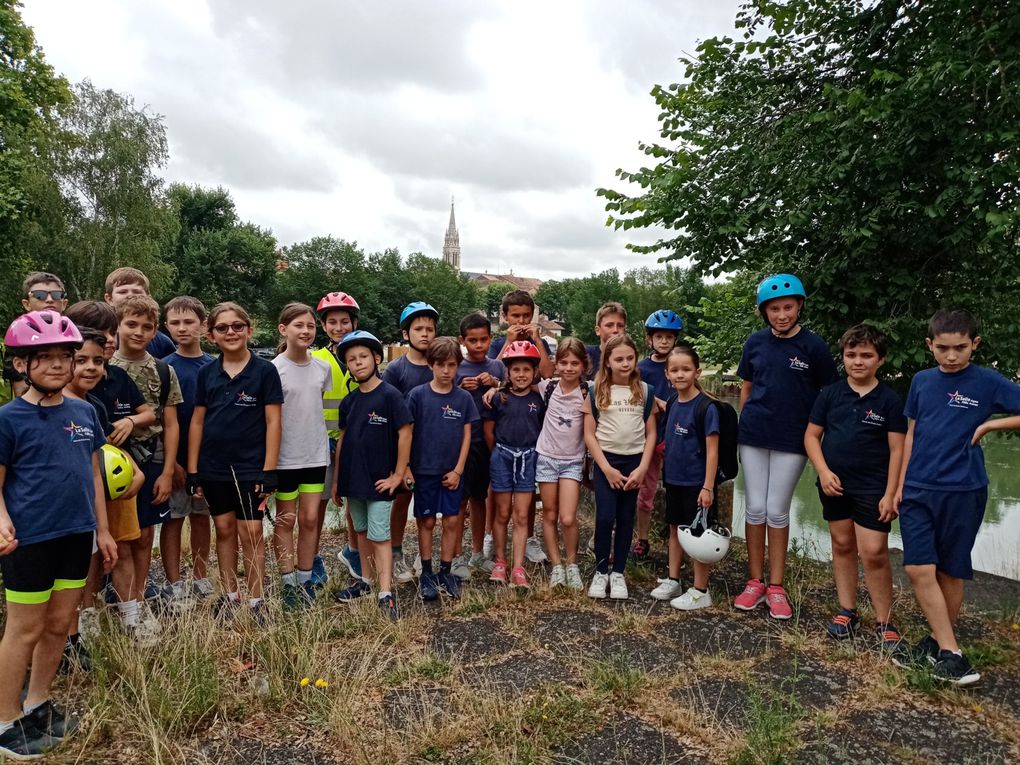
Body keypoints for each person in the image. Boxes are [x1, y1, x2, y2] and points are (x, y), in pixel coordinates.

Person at [0, 311, 116, 759]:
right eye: (42, 357)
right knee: (24, 630)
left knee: (58, 626)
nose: (55, 365)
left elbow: (93, 472)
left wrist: (102, 530)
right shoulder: (8, 419)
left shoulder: (85, 411)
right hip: (30, 539)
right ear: (21, 365)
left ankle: (38, 704)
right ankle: (7, 720)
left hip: (76, 535)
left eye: (63, 357)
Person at [893, 309, 1020, 685]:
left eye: (960, 348)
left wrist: (992, 423)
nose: (951, 356)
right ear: (929, 345)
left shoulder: (988, 382)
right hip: (918, 488)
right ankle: (953, 653)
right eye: (943, 348)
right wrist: (899, 485)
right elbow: (911, 434)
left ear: (974, 345)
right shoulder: (921, 381)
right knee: (918, 567)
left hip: (964, 489)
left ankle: (938, 643)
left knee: (951, 568)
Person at [734, 274, 838, 619]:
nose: (782, 314)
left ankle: (776, 586)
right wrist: (744, 421)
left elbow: (829, 394)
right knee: (755, 508)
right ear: (764, 312)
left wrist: (817, 434)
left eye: (788, 307)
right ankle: (755, 581)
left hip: (793, 439)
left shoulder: (814, 347)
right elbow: (746, 389)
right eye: (775, 309)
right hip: (753, 434)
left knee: (777, 509)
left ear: (800, 306)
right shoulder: (755, 343)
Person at [804, 324, 907, 649]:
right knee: (842, 544)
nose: (858, 361)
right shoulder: (830, 394)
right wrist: (822, 471)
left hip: (874, 487)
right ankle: (847, 609)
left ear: (881, 360)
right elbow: (811, 436)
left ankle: (885, 620)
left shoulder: (890, 400)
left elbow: (898, 450)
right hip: (834, 484)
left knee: (874, 552)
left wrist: (891, 493)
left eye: (866, 355)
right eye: (851, 355)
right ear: (843, 357)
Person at [64, 301, 156, 638]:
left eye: (106, 336)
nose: (104, 342)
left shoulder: (97, 401)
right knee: (85, 558)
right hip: (77, 495)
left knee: (122, 548)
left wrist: (136, 469)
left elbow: (103, 447)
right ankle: (82, 625)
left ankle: (131, 618)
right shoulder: (55, 399)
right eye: (94, 336)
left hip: (113, 486)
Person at [187, 302, 283, 625]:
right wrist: (192, 470)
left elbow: (273, 423)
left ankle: (257, 601)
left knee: (252, 531)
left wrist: (269, 471)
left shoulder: (265, 372)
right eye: (223, 328)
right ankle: (230, 596)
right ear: (211, 334)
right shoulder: (206, 374)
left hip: (251, 467)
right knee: (224, 529)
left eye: (237, 326)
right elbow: (197, 423)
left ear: (249, 330)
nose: (231, 332)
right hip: (213, 467)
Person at [110, 295, 183, 639]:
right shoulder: (102, 363)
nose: (139, 332)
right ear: (118, 326)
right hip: (111, 464)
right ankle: (94, 610)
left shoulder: (164, 370)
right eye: (131, 324)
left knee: (143, 539)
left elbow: (171, 424)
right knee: (111, 542)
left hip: (152, 461)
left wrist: (168, 471)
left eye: (147, 326)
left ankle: (136, 605)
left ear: (155, 330)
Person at [330, 331, 412, 620]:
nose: (358, 362)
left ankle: (386, 592)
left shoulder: (391, 396)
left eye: (363, 356)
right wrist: (338, 481)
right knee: (362, 531)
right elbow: (342, 441)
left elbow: (405, 434)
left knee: (380, 535)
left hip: (380, 481)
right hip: (354, 480)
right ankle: (365, 581)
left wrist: (398, 474)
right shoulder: (349, 402)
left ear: (376, 358)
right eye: (351, 359)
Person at [583, 334, 657, 599]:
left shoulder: (645, 391)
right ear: (608, 362)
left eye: (629, 358)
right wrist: (605, 468)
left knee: (627, 518)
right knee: (605, 517)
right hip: (607, 463)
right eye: (619, 359)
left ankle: (619, 573)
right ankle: (601, 570)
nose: (625, 364)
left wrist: (642, 468)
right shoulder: (596, 391)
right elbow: (589, 434)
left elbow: (651, 434)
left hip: (634, 463)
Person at [405, 337, 478, 600]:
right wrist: (407, 468)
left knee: (451, 520)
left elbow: (467, 436)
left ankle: (445, 570)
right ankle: (426, 572)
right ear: (430, 365)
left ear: (458, 366)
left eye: (451, 365)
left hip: (452, 473)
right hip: (424, 471)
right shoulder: (417, 396)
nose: (446, 371)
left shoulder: (464, 398)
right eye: (440, 365)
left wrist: (458, 470)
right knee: (425, 521)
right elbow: (408, 434)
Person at [650, 346, 720, 610]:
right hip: (674, 480)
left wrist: (708, 487)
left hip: (697, 483)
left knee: (699, 534)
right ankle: (673, 578)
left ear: (697, 372)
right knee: (675, 530)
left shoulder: (706, 407)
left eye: (686, 369)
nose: (680, 375)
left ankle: (701, 590)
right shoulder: (672, 404)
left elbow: (712, 451)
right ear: (667, 374)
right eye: (675, 370)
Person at [272, 303, 332, 610]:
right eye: (299, 325)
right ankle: (288, 583)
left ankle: (306, 579)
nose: (306, 331)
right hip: (285, 458)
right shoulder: (273, 369)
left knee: (310, 519)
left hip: (315, 455)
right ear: (284, 329)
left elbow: (315, 407)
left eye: (310, 326)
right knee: (286, 519)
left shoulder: (323, 368)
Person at [487, 290, 553, 562]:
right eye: (516, 316)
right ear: (505, 317)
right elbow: (493, 374)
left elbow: (548, 374)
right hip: (504, 426)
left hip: (530, 428)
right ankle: (493, 537)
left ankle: (529, 538)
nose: (522, 321)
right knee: (498, 493)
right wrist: (509, 343)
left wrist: (537, 339)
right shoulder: (498, 344)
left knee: (527, 497)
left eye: (527, 315)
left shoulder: (540, 343)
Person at [160, 297, 215, 609]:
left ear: (203, 326)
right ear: (167, 326)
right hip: (174, 460)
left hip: (208, 460)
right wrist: (174, 464)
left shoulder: (213, 366)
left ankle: (199, 576)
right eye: (175, 323)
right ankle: (173, 582)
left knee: (201, 517)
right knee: (173, 519)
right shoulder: (164, 367)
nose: (182, 328)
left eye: (189, 322)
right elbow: (161, 420)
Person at [383, 302, 438, 583]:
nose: (425, 334)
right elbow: (388, 410)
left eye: (430, 329)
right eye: (418, 329)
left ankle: (424, 554)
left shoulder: (439, 366)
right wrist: (399, 463)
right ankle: (395, 552)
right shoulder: (396, 369)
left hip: (432, 449)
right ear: (406, 334)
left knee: (429, 506)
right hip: (403, 450)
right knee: (401, 502)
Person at [483, 341, 544, 588]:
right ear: (507, 371)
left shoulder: (539, 399)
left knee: (521, 515)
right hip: (502, 455)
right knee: (502, 513)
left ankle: (518, 567)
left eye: (526, 370)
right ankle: (500, 562)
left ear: (534, 372)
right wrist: (497, 454)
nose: (521, 375)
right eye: (516, 369)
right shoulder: (499, 397)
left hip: (528, 457)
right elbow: (489, 432)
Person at [312, 292, 361, 589]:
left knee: (354, 503)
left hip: (354, 443)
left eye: (345, 321)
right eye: (333, 322)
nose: (339, 327)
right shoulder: (316, 359)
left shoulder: (362, 356)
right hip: (321, 442)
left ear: (354, 323)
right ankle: (313, 556)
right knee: (315, 506)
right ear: (324, 325)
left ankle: (353, 551)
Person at [536, 338, 591, 590]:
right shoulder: (547, 387)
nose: (569, 368)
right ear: (556, 364)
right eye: (564, 363)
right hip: (546, 457)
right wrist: (494, 387)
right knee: (549, 513)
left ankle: (572, 564)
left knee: (567, 517)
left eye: (575, 363)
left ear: (583, 366)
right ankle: (556, 565)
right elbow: (516, 383)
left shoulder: (588, 390)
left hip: (571, 461)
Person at [455, 312, 503, 577]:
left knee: (479, 497)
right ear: (463, 340)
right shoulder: (457, 368)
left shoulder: (497, 366)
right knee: (459, 501)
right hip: (462, 443)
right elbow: (445, 395)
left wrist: (496, 384)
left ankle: (476, 553)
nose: (478, 345)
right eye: (472, 340)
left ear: (490, 339)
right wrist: (460, 387)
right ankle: (456, 555)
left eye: (483, 340)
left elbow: (509, 392)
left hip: (488, 441)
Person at [634, 309, 684, 560]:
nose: (664, 341)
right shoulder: (641, 368)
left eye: (669, 337)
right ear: (649, 339)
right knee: (646, 490)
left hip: (677, 436)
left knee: (681, 489)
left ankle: (682, 539)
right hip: (650, 437)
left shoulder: (680, 364)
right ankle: (642, 539)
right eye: (659, 337)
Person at [103, 267, 176, 358]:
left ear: (148, 297)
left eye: (136, 291)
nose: (130, 296)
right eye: (123, 292)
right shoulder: (99, 337)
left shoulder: (161, 342)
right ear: (109, 299)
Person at [584, 302, 628, 380]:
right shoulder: (587, 355)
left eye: (620, 325)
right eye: (609, 325)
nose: (615, 330)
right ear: (598, 330)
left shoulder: (629, 359)